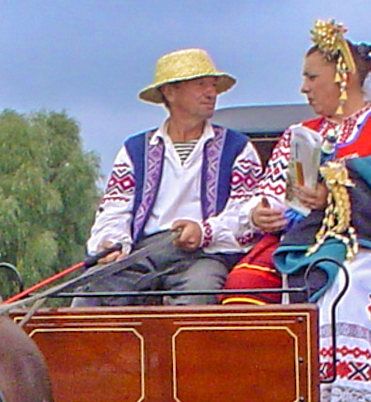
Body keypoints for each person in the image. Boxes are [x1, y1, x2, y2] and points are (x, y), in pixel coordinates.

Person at [229, 20, 371, 402]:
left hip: (367, 246)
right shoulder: (299, 134)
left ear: (342, 78)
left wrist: (340, 192)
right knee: (243, 285)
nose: (303, 89)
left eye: (312, 78)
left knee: (340, 292)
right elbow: (272, 191)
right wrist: (263, 212)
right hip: (300, 241)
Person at [76, 48, 262, 306]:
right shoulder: (135, 150)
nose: (211, 93)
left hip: (205, 255)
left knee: (199, 292)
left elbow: (246, 213)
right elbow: (114, 209)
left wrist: (203, 232)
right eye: (200, 85)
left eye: (213, 85)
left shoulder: (238, 148)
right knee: (91, 289)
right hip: (143, 252)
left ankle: (185, 348)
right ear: (170, 92)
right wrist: (111, 244)